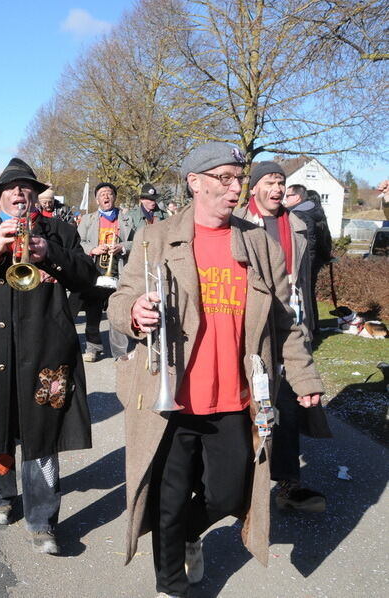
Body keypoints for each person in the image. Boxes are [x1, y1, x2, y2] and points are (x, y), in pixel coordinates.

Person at [107, 142, 324, 597]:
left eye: (238, 179)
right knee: (168, 498)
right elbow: (119, 299)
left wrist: (304, 377)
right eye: (224, 178)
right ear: (195, 182)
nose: (235, 188)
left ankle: (188, 534)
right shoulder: (156, 237)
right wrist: (133, 311)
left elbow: (285, 321)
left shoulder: (259, 243)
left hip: (233, 395)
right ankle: (170, 585)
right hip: (172, 393)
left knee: (229, 494)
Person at [0, 158, 95, 555]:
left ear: (35, 196)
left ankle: (43, 519)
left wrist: (51, 254)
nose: (19, 193)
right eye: (11, 189)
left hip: (46, 349)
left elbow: (87, 276)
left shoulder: (61, 231)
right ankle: (0, 494)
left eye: (26, 188)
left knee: (43, 432)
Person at [235, 162, 331, 514]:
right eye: (270, 182)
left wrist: (308, 321)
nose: (277, 188)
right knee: (249, 404)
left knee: (288, 405)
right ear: (255, 187)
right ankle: (243, 483)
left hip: (291, 325)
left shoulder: (298, 226)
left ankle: (288, 484)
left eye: (281, 183)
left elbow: (306, 277)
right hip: (251, 326)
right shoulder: (239, 222)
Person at [72, 183, 129, 362]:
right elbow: (77, 243)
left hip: (118, 272)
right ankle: (93, 348)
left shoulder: (126, 219)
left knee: (117, 312)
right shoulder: (88, 219)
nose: (106, 197)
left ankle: (120, 352)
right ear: (97, 199)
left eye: (109, 194)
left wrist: (123, 247)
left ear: (114, 197)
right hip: (95, 272)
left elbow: (138, 241)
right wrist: (93, 249)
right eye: (102, 194)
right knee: (93, 312)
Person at [284, 185, 332, 332]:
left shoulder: (300, 214)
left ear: (297, 197)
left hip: (307, 262)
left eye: (288, 196)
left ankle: (307, 327)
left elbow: (308, 243)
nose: (285, 199)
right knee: (309, 294)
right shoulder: (314, 211)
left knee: (304, 295)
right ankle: (313, 326)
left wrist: (305, 265)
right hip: (316, 259)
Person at [120, 183, 168, 256]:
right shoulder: (130, 216)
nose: (153, 202)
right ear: (141, 200)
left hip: (161, 256)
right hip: (139, 257)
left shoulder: (165, 216)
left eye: (154, 199)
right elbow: (127, 241)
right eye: (150, 199)